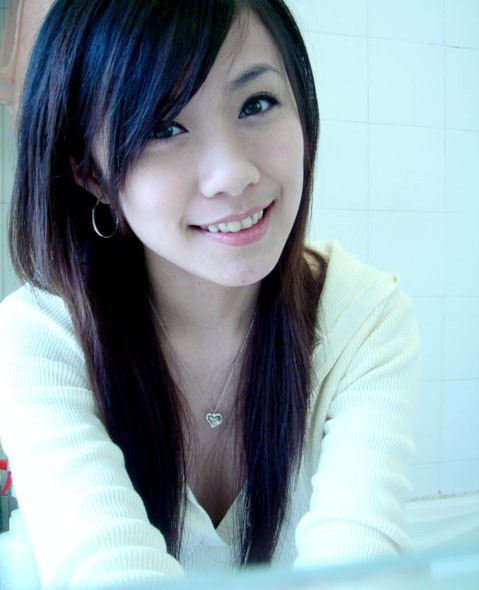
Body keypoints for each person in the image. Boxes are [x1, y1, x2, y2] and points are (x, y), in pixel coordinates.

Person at [0, 0, 422, 588]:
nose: (233, 173)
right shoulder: (40, 337)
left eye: (257, 103)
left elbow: (362, 570)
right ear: (90, 173)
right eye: (162, 126)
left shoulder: (363, 316)